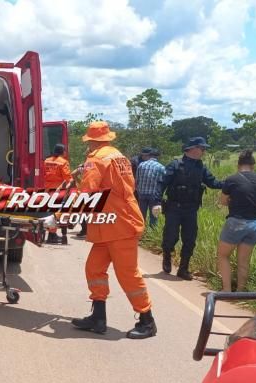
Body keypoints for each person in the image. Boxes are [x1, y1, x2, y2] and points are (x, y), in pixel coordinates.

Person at [70, 121, 157, 339]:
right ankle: (98, 318)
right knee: (94, 269)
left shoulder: (96, 159)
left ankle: (147, 320)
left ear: (91, 141)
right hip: (110, 225)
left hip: (119, 225)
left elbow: (87, 193)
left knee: (127, 274)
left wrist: (60, 216)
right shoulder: (119, 156)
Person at [153, 137, 223, 280]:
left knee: (190, 239)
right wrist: (156, 202)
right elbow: (161, 184)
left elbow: (213, 183)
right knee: (171, 236)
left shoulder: (201, 167)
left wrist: (232, 183)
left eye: (204, 149)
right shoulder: (175, 164)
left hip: (191, 209)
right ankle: (167, 254)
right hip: (174, 207)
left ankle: (183, 269)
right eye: (202, 148)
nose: (203, 151)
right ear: (192, 148)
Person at [216, 150, 256, 292]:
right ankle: (240, 291)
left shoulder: (231, 179)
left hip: (236, 222)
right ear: (253, 165)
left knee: (223, 255)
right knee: (244, 261)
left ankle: (226, 290)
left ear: (238, 165)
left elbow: (223, 201)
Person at [43, 143, 73, 244]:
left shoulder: (46, 161)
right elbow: (68, 178)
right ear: (62, 152)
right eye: (65, 151)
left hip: (47, 190)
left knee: (50, 212)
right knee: (57, 213)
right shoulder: (63, 162)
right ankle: (52, 236)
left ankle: (51, 235)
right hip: (59, 191)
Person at [135, 147, 165, 228]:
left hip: (141, 194)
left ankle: (141, 231)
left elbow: (137, 180)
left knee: (141, 214)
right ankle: (152, 231)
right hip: (154, 195)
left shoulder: (141, 165)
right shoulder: (161, 167)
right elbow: (164, 181)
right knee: (154, 216)